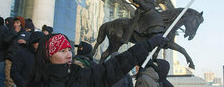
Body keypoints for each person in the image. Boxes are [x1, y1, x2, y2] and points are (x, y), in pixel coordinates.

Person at [25, 33, 168, 86]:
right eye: (62, 51)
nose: (69, 54)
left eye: (69, 50)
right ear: (48, 55)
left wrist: (148, 45)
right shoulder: (36, 82)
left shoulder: (80, 75)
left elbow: (115, 66)